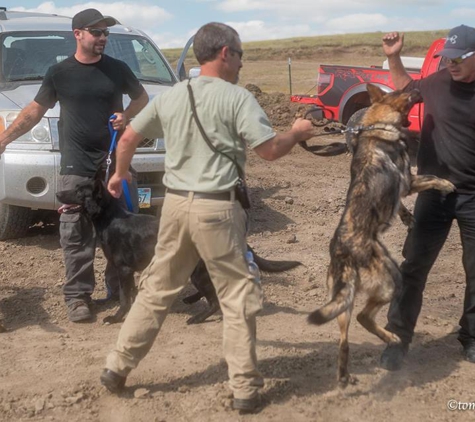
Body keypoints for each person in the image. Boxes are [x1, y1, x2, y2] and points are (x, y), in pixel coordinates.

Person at [99, 22, 315, 413]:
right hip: (218, 207)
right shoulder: (237, 99)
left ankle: (117, 366)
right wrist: (297, 133)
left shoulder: (172, 96)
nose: (242, 61)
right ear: (225, 53)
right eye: (241, 53)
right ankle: (245, 389)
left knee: (157, 289)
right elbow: (268, 150)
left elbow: (128, 138)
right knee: (235, 296)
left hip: (176, 207)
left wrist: (117, 175)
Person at [0, 8, 149, 323]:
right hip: (76, 168)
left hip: (114, 166)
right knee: (76, 235)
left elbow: (142, 98)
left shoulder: (117, 69)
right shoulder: (59, 73)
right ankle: (78, 298)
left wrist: (128, 115)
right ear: (78, 34)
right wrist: (4, 140)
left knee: (121, 231)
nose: (103, 38)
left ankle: (119, 291)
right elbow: (34, 111)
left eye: (105, 33)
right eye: (96, 32)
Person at [379, 25, 475, 371]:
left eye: (458, 59)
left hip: (473, 197)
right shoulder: (436, 83)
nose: (450, 64)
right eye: (447, 58)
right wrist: (393, 56)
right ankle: (397, 338)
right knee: (414, 266)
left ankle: (471, 337)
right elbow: (405, 88)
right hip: (434, 192)